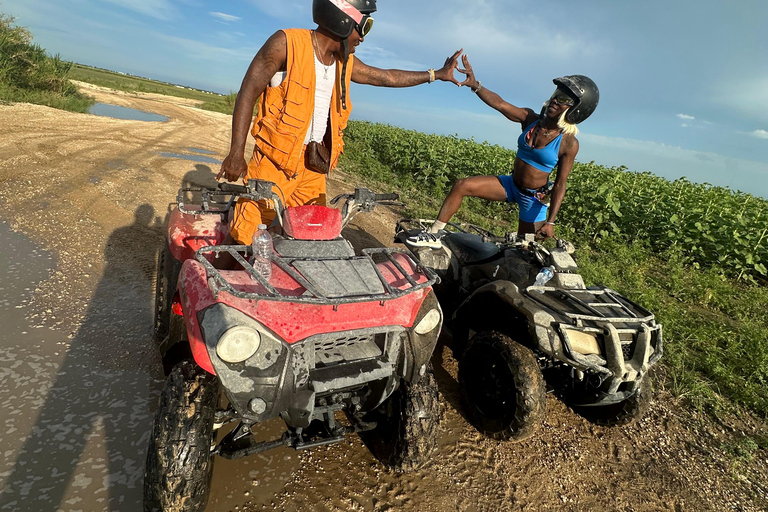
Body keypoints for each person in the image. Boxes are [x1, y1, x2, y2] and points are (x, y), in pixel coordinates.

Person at [217, 0, 462, 250]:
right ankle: (209, 281)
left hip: (313, 166)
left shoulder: (344, 62)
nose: (363, 38)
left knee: (308, 236)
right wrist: (236, 152)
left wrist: (436, 75)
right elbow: (248, 91)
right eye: (364, 27)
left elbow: (386, 76)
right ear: (341, 18)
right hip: (274, 164)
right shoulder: (286, 44)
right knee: (245, 236)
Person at [406, 54, 599, 248]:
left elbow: (560, 184)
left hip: (533, 199)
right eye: (556, 94)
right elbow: (500, 104)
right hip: (510, 185)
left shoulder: (568, 144)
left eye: (563, 99)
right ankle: (434, 234)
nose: (555, 101)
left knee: (524, 250)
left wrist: (551, 222)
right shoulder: (530, 119)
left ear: (576, 110)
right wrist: (475, 85)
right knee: (462, 185)